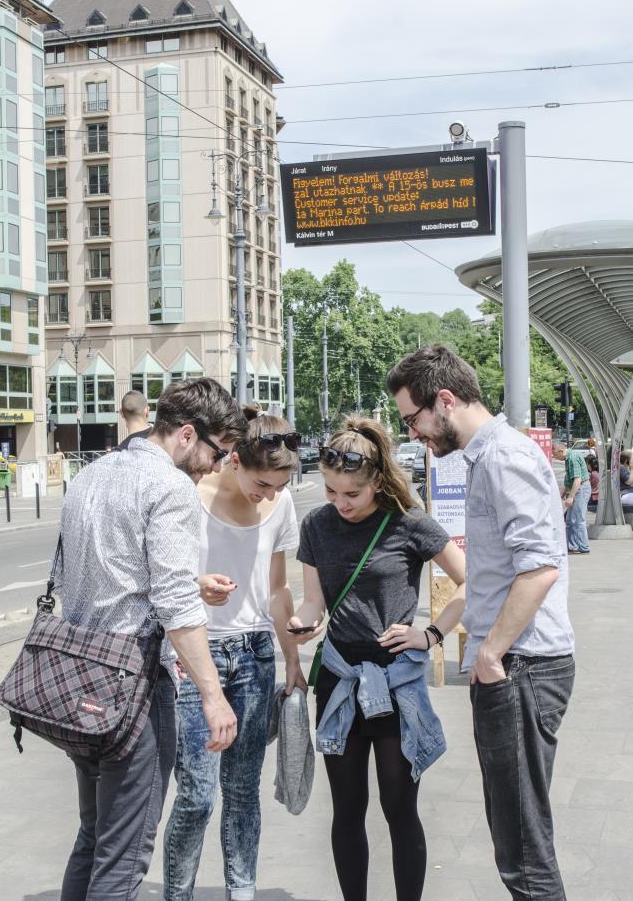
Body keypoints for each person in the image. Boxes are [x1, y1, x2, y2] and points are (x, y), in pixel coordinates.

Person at [388, 345, 575, 901]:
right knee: (515, 838)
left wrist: (491, 653)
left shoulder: (502, 458)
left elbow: (538, 567)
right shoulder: (487, 457)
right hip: (517, 665)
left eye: (412, 419)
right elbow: (495, 575)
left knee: (522, 849)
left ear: (444, 400)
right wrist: (445, 636)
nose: (414, 433)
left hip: (521, 666)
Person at [55, 377, 247, 901]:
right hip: (132, 688)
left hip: (78, 676)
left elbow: (104, 572)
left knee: (95, 837)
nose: (218, 466)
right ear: (187, 435)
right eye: (218, 452)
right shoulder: (171, 487)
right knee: (125, 854)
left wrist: (189, 581)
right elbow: (177, 610)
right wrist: (213, 696)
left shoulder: (93, 474)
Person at [288, 415, 465, 901]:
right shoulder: (316, 526)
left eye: (351, 494)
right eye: (330, 492)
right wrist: (304, 623)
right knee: (346, 809)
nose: (339, 504)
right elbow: (312, 600)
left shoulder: (409, 522)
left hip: (395, 686)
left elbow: (473, 581)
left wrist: (430, 634)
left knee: (399, 807)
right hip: (340, 682)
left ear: (378, 482)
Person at [163, 409, 306, 901]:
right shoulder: (189, 495)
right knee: (197, 795)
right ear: (234, 461)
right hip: (194, 659)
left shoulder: (281, 505)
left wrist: (292, 660)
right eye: (262, 482)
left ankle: (241, 890)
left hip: (255, 657)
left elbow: (278, 589)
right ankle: (177, 893)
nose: (269, 494)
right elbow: (164, 579)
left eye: (278, 485)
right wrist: (196, 587)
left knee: (243, 792)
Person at [551, 440, 591, 554]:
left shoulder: (572, 457)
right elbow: (571, 478)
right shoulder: (569, 457)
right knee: (570, 520)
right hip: (578, 488)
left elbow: (577, 479)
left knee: (578, 519)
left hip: (581, 489)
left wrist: (571, 497)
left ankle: (583, 546)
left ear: (560, 451)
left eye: (554, 454)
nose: (554, 457)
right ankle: (572, 546)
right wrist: (565, 492)